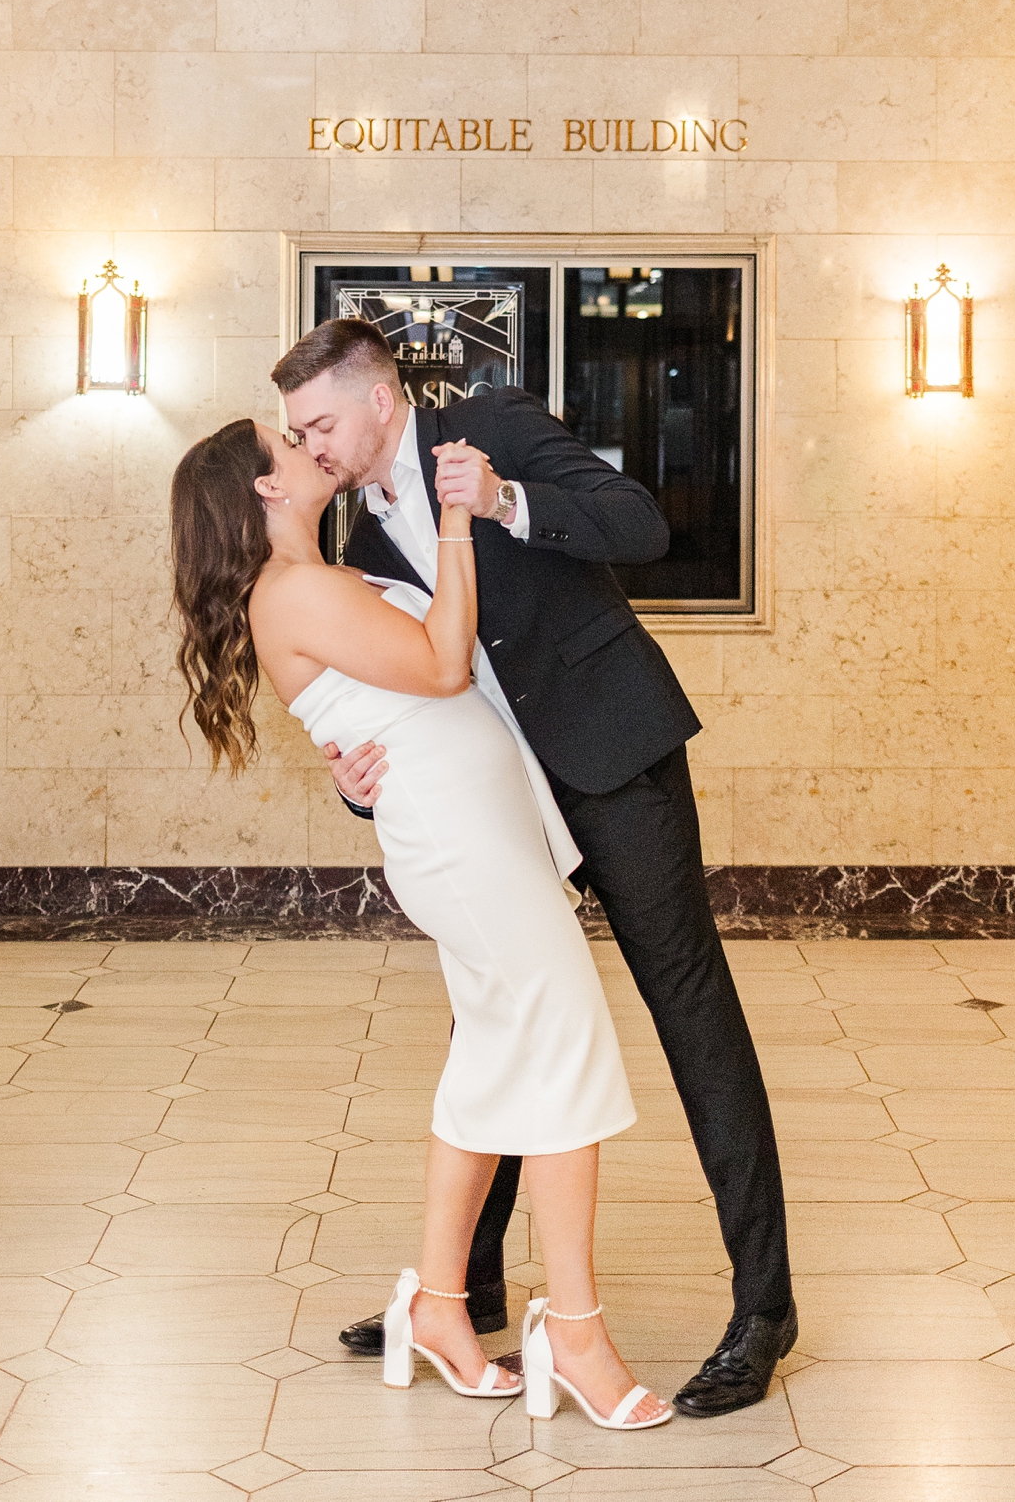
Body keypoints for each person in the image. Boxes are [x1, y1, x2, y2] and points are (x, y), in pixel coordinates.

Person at [271, 318, 796, 1419]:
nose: (308, 447)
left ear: (378, 401)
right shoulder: (346, 547)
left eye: (319, 424)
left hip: (614, 761)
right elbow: (382, 686)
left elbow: (641, 525)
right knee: (501, 1027)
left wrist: (508, 500)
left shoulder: (490, 425)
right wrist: (352, 776)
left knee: (688, 1010)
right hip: (497, 808)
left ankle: (763, 1309)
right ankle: (466, 1290)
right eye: (294, 433)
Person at [171, 415, 671, 1431]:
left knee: (495, 1062)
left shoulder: (319, 577)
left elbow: (407, 694)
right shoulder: (298, 589)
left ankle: (440, 1306)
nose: (312, 447)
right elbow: (443, 667)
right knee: (567, 1057)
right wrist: (455, 518)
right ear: (266, 492)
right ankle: (573, 1331)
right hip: (465, 852)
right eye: (289, 443)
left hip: (473, 839)